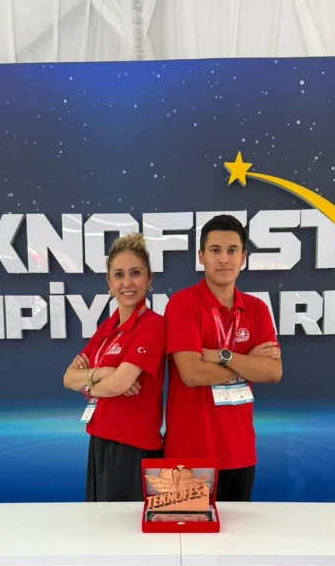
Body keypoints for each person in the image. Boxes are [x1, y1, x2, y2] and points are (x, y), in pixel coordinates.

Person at [164, 214, 282, 501]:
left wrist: (221, 356)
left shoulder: (257, 309)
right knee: (187, 532)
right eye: (215, 250)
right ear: (201, 256)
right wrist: (247, 362)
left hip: (240, 452)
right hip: (189, 456)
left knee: (236, 532)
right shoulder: (183, 303)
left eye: (232, 250)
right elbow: (192, 375)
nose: (224, 259)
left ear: (243, 257)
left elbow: (273, 372)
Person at [63, 233, 166, 501]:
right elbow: (68, 378)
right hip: (100, 443)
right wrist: (102, 374)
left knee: (126, 527)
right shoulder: (106, 329)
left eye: (135, 273)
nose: (127, 283)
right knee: (100, 524)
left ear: (149, 278)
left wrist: (89, 385)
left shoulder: (153, 325)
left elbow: (119, 385)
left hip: (133, 448)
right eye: (119, 275)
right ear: (109, 282)